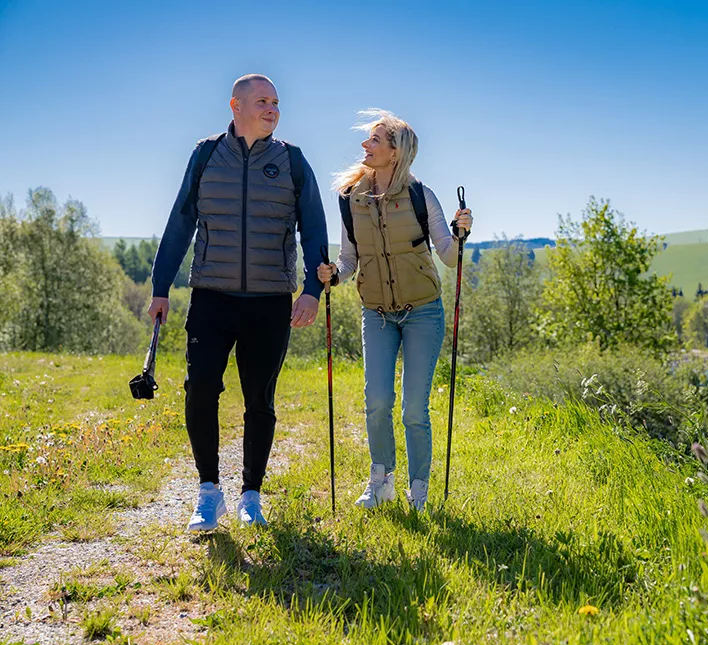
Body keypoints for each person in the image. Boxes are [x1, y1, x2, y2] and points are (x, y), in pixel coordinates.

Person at [149, 74, 328, 531]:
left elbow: (315, 228)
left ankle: (252, 495)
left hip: (270, 301)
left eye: (276, 102)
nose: (272, 109)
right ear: (236, 105)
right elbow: (180, 221)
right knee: (200, 388)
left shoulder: (292, 161)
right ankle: (209, 493)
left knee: (259, 401)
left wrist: (311, 289)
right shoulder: (207, 154)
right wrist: (160, 287)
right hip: (212, 295)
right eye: (263, 101)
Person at [317, 110, 472, 512]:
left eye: (374, 140)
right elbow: (349, 260)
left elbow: (450, 258)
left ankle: (418, 489)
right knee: (378, 400)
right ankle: (380, 481)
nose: (365, 146)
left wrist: (461, 234)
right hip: (377, 313)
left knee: (414, 409)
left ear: (395, 152)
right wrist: (333, 274)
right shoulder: (351, 199)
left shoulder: (422, 195)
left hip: (423, 312)